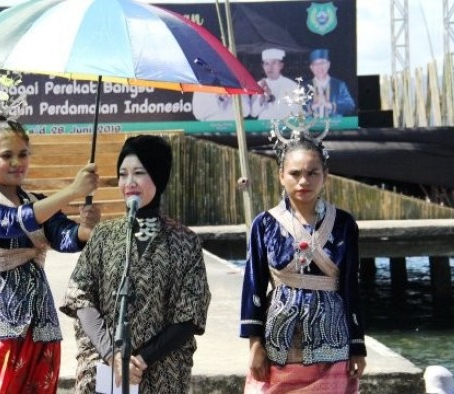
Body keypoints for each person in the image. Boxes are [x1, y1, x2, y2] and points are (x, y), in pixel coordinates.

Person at [0, 115, 101, 394]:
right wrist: (73, 190)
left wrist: (87, 229)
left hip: (40, 323)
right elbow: (11, 223)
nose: (17, 162)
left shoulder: (37, 201)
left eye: (23, 154)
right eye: (7, 155)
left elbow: (64, 236)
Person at [60, 135, 211, 393]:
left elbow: (191, 314)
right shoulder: (104, 236)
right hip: (106, 371)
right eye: (123, 174)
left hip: (161, 372)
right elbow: (80, 296)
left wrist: (141, 361)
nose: (129, 183)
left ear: (158, 175)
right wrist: (112, 355)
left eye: (139, 173)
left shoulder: (185, 241)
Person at [239, 128, 367, 393]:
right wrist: (254, 344)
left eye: (312, 173)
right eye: (295, 173)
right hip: (279, 342)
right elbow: (254, 285)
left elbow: (351, 287)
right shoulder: (264, 224)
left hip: (333, 342)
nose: (303, 181)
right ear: (281, 176)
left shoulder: (343, 223)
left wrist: (357, 345)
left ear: (326, 176)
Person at [250, 48, 299, 120]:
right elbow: (253, 114)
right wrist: (261, 99)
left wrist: (272, 99)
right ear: (263, 66)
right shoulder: (258, 85)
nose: (270, 67)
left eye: (274, 63)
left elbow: (296, 111)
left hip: (284, 126)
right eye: (266, 64)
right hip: (263, 127)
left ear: (281, 65)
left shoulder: (291, 85)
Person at [306, 48, 356, 118]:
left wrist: (330, 105)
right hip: (311, 127)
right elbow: (296, 108)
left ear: (328, 65)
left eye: (322, 63)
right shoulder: (304, 87)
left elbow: (350, 105)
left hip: (335, 127)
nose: (319, 67)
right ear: (311, 67)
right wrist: (313, 106)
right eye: (316, 64)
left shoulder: (339, 85)